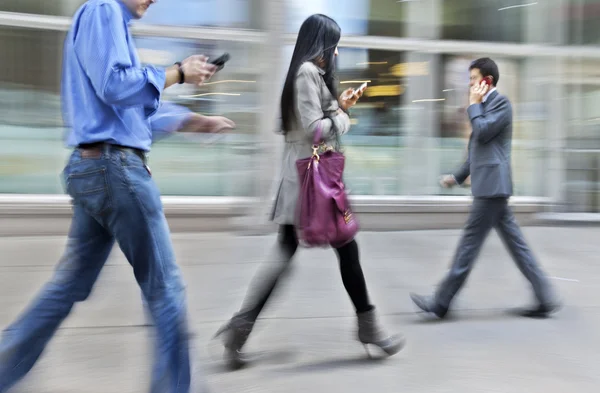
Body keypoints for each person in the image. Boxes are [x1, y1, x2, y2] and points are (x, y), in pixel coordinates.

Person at [0, 1, 233, 392]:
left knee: (70, 285)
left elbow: (127, 108)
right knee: (165, 289)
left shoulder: (111, 22)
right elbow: (116, 85)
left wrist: (193, 120)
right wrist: (177, 71)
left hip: (98, 169)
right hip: (114, 170)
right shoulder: (103, 9)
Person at [214, 14, 405, 371]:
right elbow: (315, 130)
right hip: (310, 183)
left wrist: (340, 105)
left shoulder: (308, 74)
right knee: (345, 247)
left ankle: (239, 331)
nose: (337, 52)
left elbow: (314, 122)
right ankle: (368, 328)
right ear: (323, 43)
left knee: (296, 252)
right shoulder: (305, 73)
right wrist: (343, 118)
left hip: (304, 179)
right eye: (335, 44)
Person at [409, 57, 559, 320]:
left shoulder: (499, 103)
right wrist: (455, 177)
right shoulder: (484, 107)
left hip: (492, 188)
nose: (469, 84)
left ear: (487, 81)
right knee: (517, 246)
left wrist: (474, 105)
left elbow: (484, 130)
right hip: (492, 187)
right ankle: (545, 297)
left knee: (468, 246)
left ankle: (441, 302)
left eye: (472, 79)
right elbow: (475, 153)